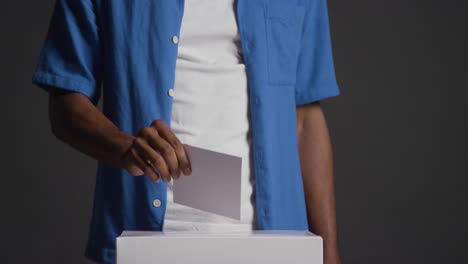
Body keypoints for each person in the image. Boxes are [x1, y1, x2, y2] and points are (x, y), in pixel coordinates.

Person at [32, 0, 342, 263]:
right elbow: (64, 100)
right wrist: (124, 147)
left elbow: (304, 117)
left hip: (276, 245)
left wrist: (328, 253)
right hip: (143, 240)